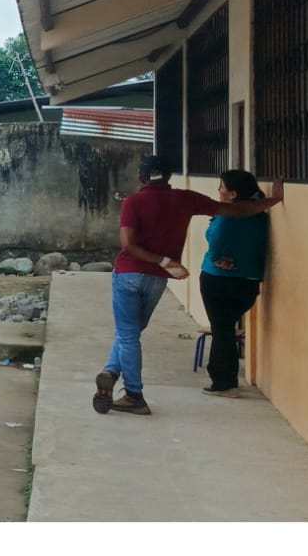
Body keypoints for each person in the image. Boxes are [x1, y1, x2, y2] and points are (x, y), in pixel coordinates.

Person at [94, 155, 282, 416]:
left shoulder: (133, 202)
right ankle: (112, 371)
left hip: (128, 274)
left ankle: (134, 395)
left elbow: (128, 245)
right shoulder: (185, 198)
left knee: (128, 334)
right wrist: (273, 200)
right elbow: (236, 210)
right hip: (157, 278)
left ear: (141, 177)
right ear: (169, 176)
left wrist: (163, 260)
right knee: (132, 332)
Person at [197, 169, 270, 398]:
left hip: (218, 280)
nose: (219, 191)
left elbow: (216, 239)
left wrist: (217, 257)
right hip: (248, 282)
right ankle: (223, 377)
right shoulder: (259, 215)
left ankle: (225, 382)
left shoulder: (228, 215)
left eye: (222, 187)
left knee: (222, 330)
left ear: (233, 194)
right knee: (225, 328)